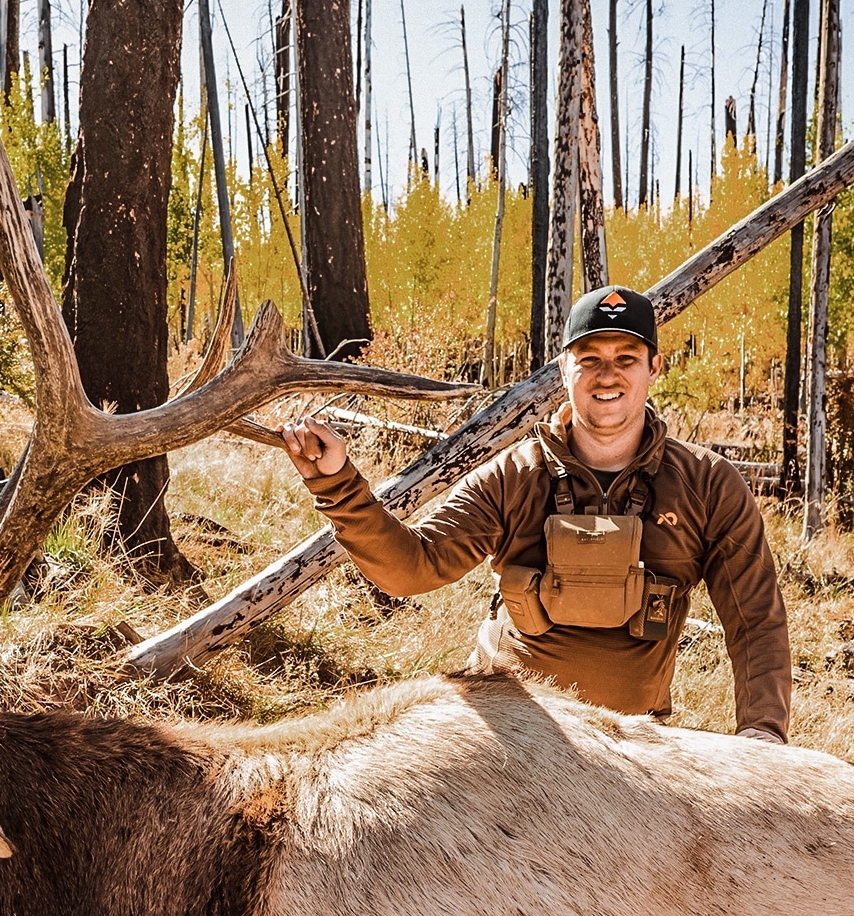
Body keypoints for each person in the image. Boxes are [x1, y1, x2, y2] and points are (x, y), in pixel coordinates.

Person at [281, 285, 792, 742]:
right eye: (588, 358)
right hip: (506, 739)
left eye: (626, 358)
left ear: (654, 368)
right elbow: (412, 566)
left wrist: (763, 732)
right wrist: (336, 482)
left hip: (635, 750)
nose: (606, 375)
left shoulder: (707, 484)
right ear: (563, 368)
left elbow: (755, 620)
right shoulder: (514, 476)